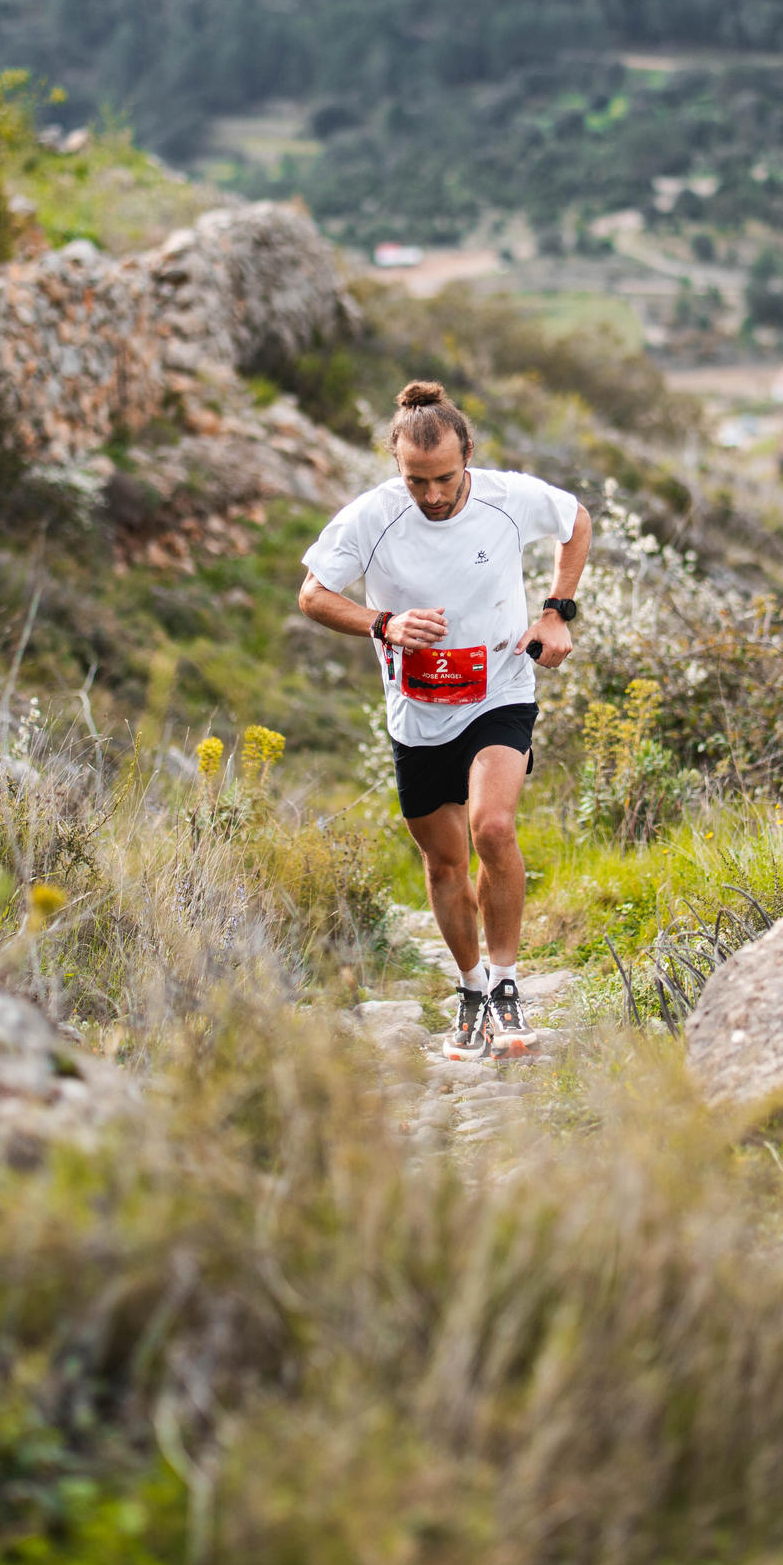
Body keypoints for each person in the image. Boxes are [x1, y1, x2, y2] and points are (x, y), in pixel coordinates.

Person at [299, 381, 591, 1058]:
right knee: (444, 862)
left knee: (493, 827)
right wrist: (383, 623)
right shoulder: (370, 518)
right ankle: (472, 989)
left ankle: (508, 985)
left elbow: (575, 520)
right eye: (415, 480)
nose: (432, 495)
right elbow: (313, 594)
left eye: (444, 478)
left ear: (468, 457)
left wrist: (557, 612)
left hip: (499, 691)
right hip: (418, 712)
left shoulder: (507, 499)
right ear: (396, 466)